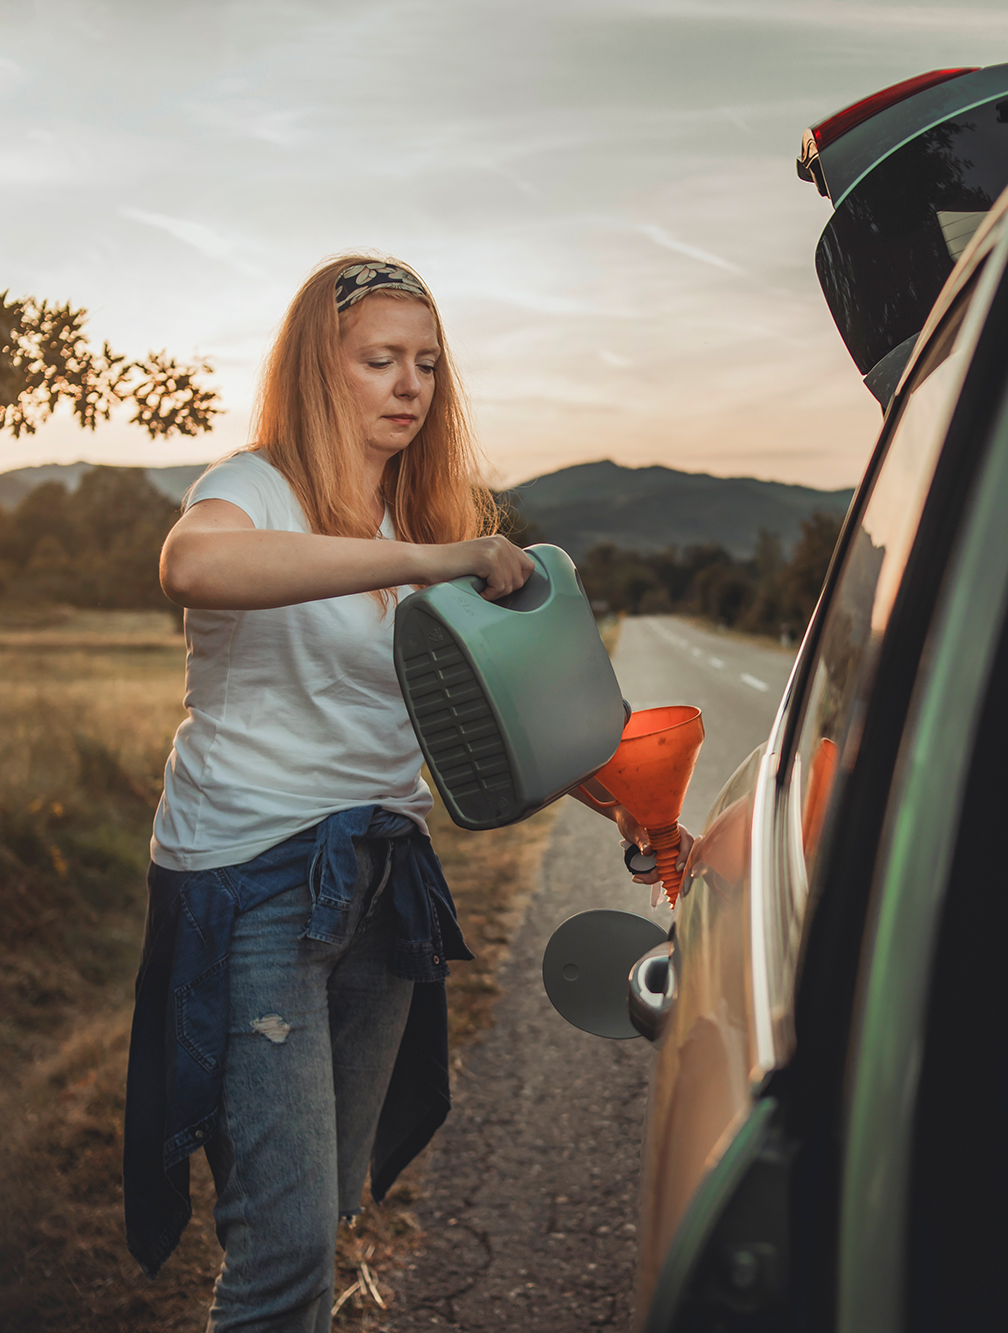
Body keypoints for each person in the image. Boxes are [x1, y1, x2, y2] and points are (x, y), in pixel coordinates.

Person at [122, 255, 687, 1332]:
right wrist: (435, 558)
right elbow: (191, 568)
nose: (408, 384)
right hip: (255, 878)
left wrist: (632, 807)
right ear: (314, 370)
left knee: (322, 1209)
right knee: (280, 1241)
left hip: (381, 881)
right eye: (379, 359)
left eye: (426, 362)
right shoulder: (254, 486)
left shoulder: (417, 514)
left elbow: (519, 711)